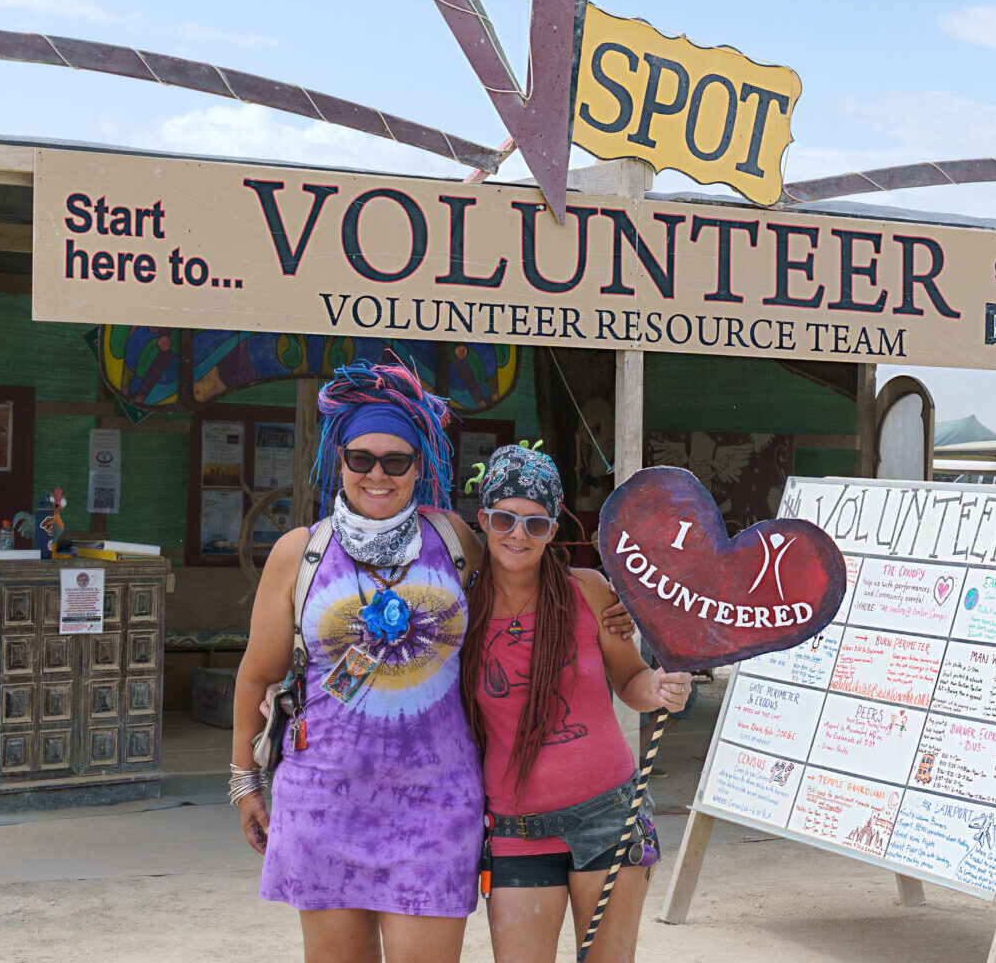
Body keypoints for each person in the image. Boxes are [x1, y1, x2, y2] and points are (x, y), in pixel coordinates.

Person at [229, 359, 486, 963]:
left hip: (436, 804)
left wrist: (601, 601)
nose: (377, 474)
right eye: (360, 459)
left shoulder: (455, 541)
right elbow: (256, 674)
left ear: (420, 466)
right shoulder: (301, 553)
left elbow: (523, 598)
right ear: (337, 461)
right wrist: (245, 783)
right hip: (323, 801)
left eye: (396, 461)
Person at [460, 443, 694, 963]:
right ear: (483, 518)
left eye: (535, 524)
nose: (518, 535)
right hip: (516, 828)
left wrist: (656, 689)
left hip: (610, 815)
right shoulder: (458, 607)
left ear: (552, 530)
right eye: (504, 518)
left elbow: (630, 677)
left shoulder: (588, 592)